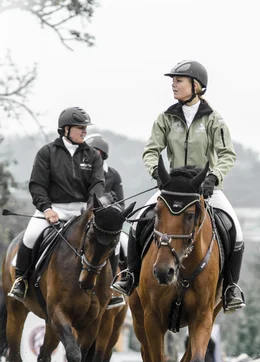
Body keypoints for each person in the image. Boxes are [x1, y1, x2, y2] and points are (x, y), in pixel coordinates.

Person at [112, 60, 245, 312]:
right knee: (141, 221)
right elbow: (151, 150)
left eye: (179, 80)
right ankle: (130, 275)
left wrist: (213, 177)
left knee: (235, 230)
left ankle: (230, 288)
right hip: (172, 188)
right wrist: (157, 173)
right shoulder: (166, 118)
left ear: (196, 86)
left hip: (205, 188)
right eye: (173, 80)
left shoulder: (214, 120)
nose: (173, 84)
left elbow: (227, 154)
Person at [8, 106, 105, 301]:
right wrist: (46, 208)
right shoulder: (47, 152)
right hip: (53, 209)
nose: (85, 131)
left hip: (82, 210)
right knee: (30, 236)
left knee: (107, 239)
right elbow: (37, 185)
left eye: (85, 127)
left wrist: (91, 206)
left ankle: (108, 288)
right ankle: (21, 280)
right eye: (80, 127)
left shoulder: (92, 155)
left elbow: (97, 183)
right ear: (66, 129)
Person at [86, 133, 126, 309]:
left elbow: (121, 204)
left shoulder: (113, 175)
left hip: (105, 223)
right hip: (82, 216)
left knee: (121, 242)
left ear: (101, 154)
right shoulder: (81, 172)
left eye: (92, 151)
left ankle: (114, 287)